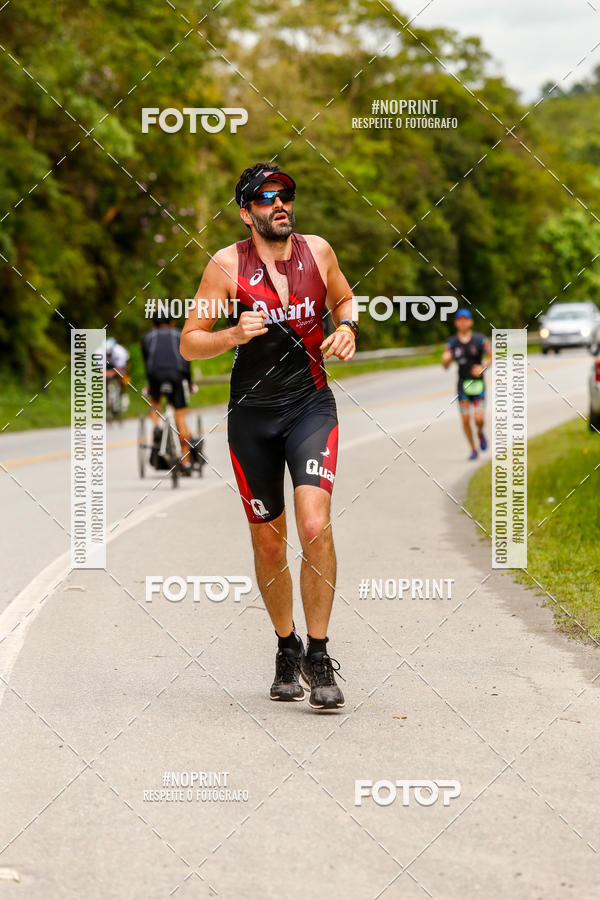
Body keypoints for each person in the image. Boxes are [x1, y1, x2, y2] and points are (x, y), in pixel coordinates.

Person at [180, 162, 359, 710]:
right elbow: (190, 341)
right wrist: (232, 333)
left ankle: (320, 652)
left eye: (286, 195)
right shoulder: (226, 266)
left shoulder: (320, 251)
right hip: (252, 416)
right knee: (267, 539)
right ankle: (287, 646)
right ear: (246, 211)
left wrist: (347, 327)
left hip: (310, 405)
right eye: (266, 198)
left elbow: (344, 300)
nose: (279, 204)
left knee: (314, 524)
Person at [142, 312, 193, 472]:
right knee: (180, 416)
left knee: (155, 401)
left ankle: (157, 426)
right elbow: (187, 360)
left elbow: (147, 362)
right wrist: (190, 383)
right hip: (177, 375)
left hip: (155, 375)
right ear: (172, 323)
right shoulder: (179, 334)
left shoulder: (148, 337)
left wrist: (150, 384)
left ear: (153, 324)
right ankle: (185, 461)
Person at [442, 308, 492, 460]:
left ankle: (480, 433)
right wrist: (446, 359)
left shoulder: (479, 339)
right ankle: (473, 449)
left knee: (478, 418)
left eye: (465, 319)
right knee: (465, 419)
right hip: (463, 385)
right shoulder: (452, 343)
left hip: (478, 385)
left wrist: (483, 367)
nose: (463, 322)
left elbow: (491, 356)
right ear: (456, 323)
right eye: (460, 320)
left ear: (471, 322)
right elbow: (445, 365)